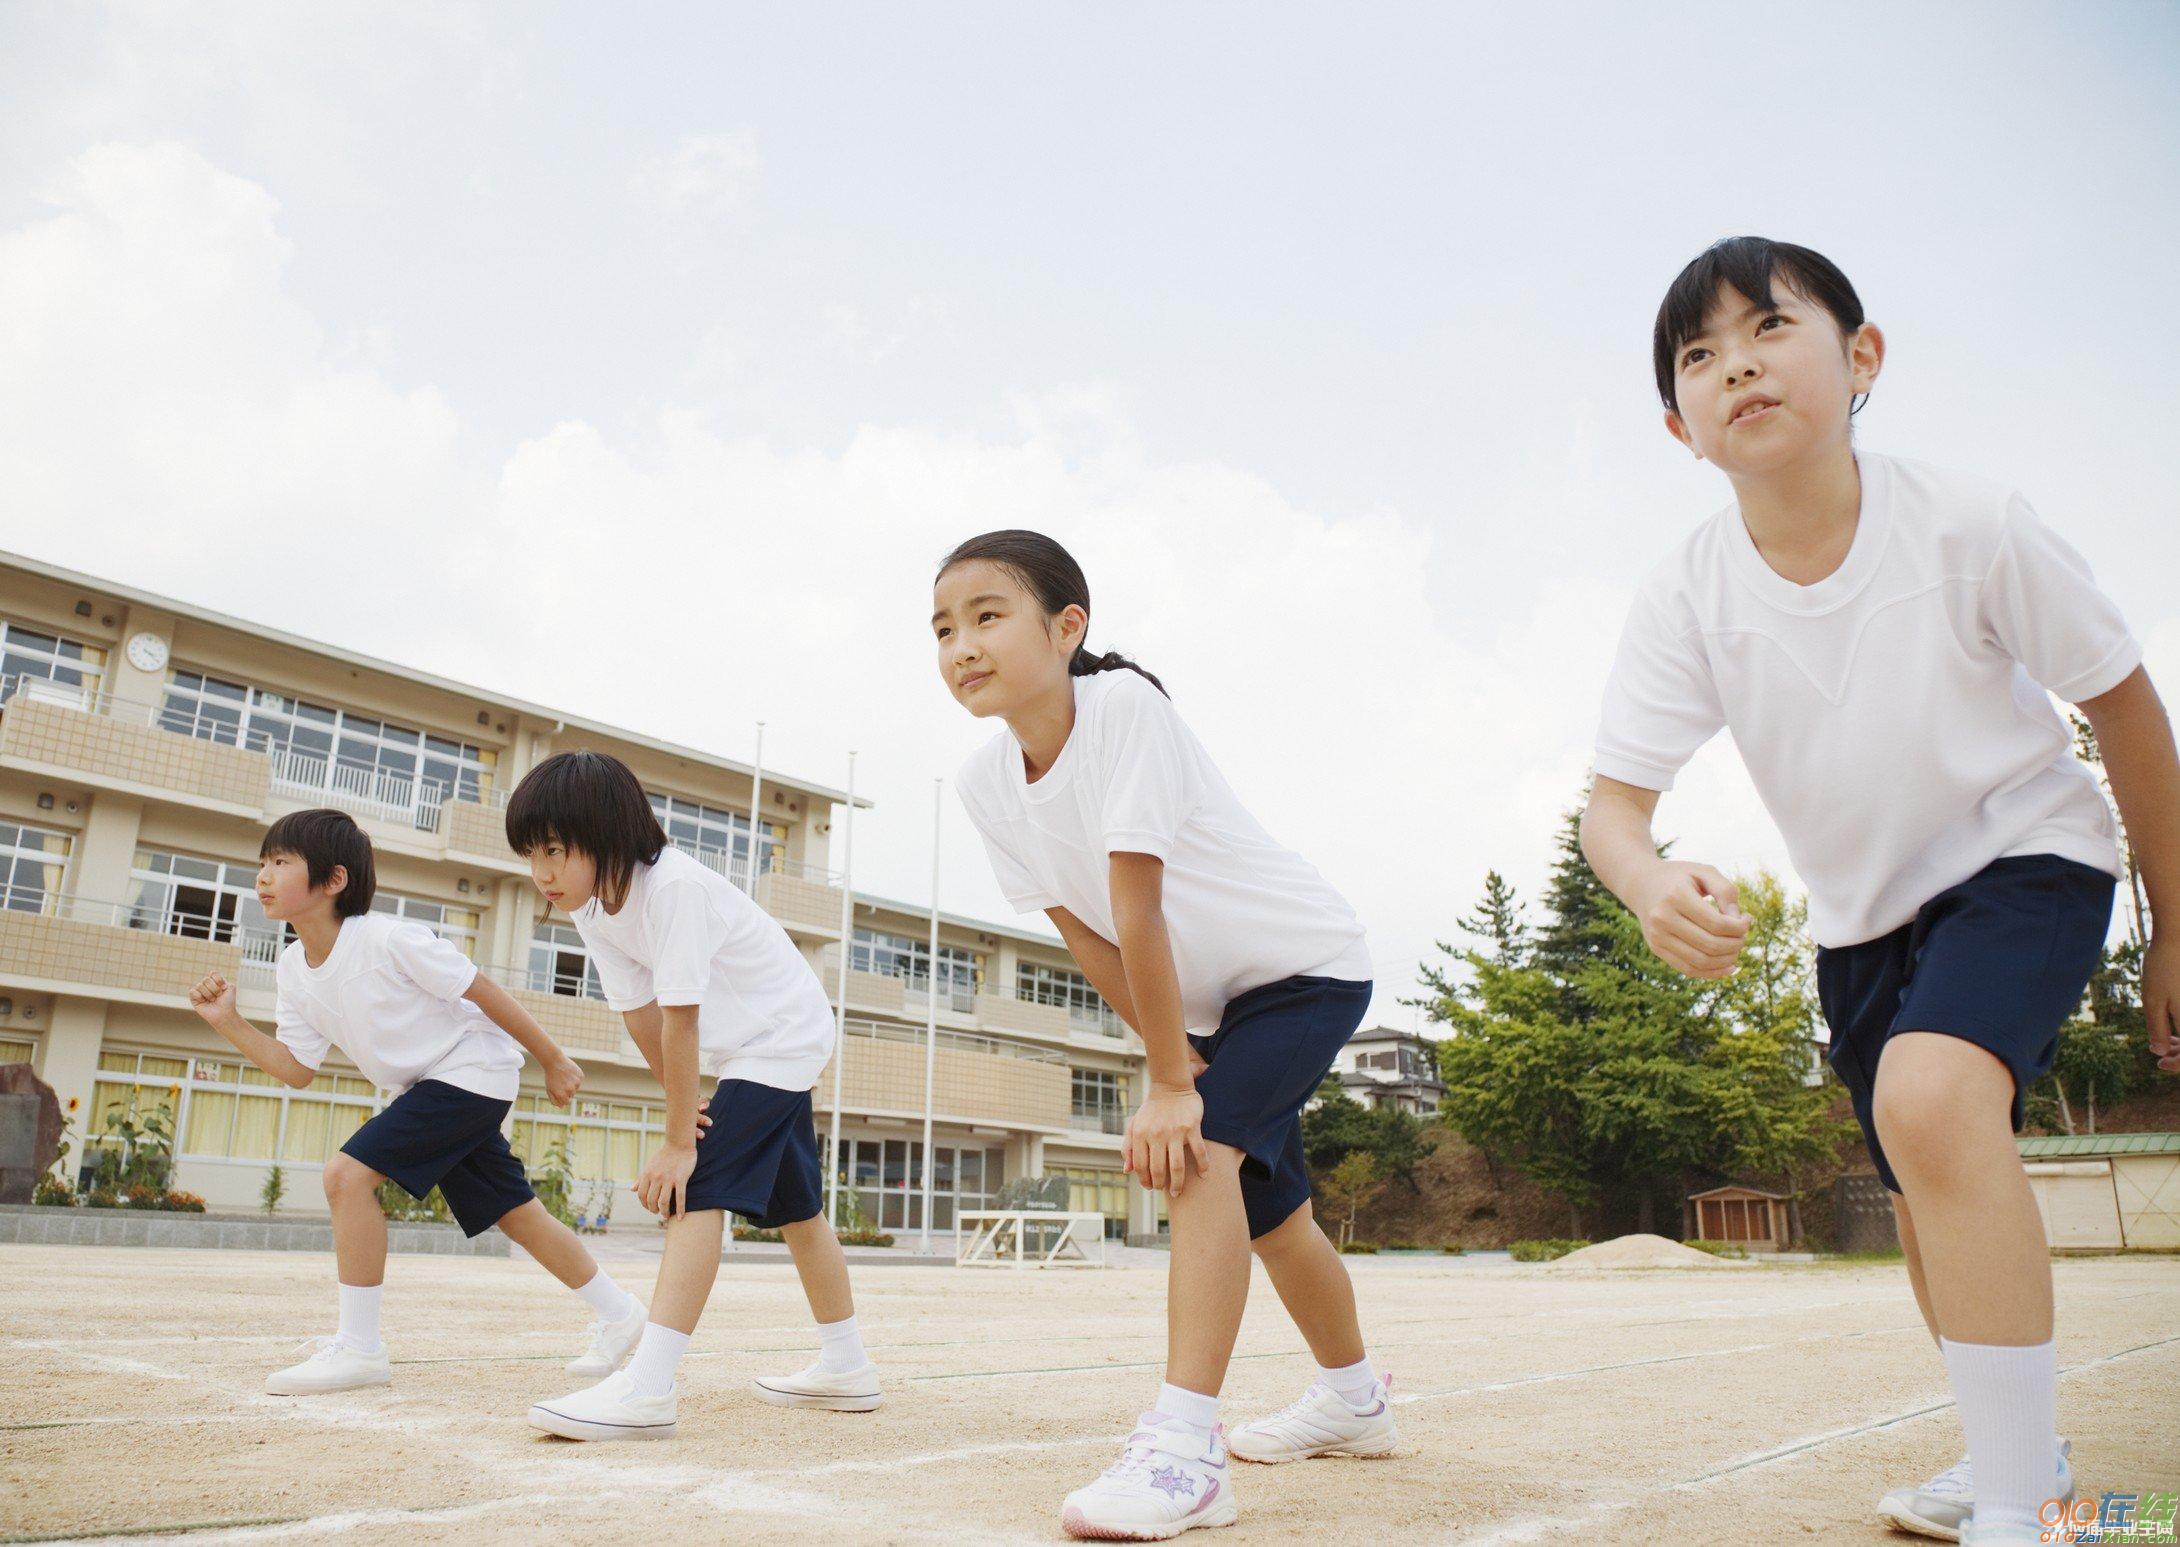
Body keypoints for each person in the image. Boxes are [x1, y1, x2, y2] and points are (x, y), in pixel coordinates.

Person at [1580, 236, 2179, 1545]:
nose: (1735, 362)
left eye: (1767, 328)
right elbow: (1612, 810)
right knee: (1922, 1184)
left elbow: (2126, 707)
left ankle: (2028, 1510)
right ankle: (2022, 1454)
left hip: (2025, 856)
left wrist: (2174, 928)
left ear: (1860, 359)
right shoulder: (1688, 589)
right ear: (1679, 427)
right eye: (1698, 354)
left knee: (1930, 1094)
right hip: (1863, 921)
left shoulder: (1968, 522)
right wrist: (1645, 887)